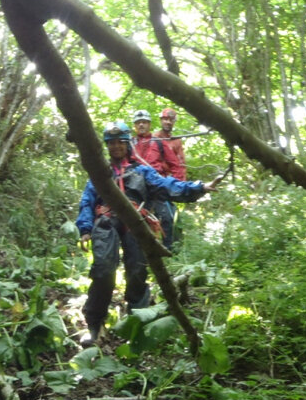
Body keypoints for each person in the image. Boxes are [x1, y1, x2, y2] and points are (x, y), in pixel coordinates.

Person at [75, 121, 221, 348]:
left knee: (137, 271)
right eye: (111, 143)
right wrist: (85, 229)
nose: (115, 147)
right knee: (103, 270)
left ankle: (137, 322)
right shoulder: (99, 173)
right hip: (106, 222)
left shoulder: (142, 171)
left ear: (127, 144)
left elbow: (167, 186)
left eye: (120, 142)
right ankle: (95, 325)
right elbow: (87, 201)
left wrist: (199, 187)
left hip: (137, 222)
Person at [131, 109, 184, 249]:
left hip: (156, 186)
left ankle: (168, 250)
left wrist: (176, 188)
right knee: (136, 220)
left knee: (166, 218)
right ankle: (142, 252)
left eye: (144, 122)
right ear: (134, 125)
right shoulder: (130, 144)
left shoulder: (159, 142)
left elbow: (176, 165)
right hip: (136, 188)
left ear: (149, 124)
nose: (141, 125)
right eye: (138, 123)